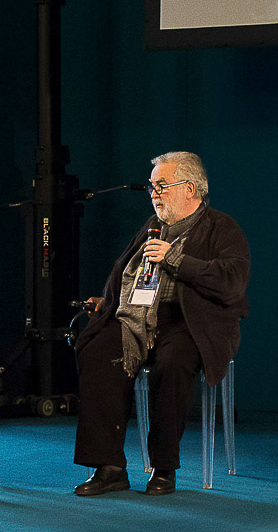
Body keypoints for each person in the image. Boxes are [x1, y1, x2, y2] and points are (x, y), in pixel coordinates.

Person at [71, 151, 250, 496]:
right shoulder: (152, 227)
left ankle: (164, 467)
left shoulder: (222, 228)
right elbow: (127, 274)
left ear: (190, 188)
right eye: (152, 187)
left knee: (173, 363)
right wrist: (108, 302)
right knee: (96, 350)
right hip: (141, 318)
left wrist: (175, 259)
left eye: (161, 186)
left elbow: (232, 281)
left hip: (192, 323)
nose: (154, 194)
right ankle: (109, 467)